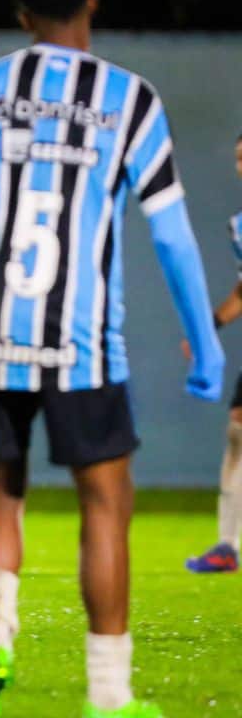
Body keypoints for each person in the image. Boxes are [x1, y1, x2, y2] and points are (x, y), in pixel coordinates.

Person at [0, 0, 223, 715]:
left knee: (1, 493)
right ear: (92, 2)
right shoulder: (129, 98)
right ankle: (109, 694)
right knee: (106, 504)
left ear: (21, 10)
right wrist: (204, 342)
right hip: (82, 342)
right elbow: (171, 237)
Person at [185, 132, 242, 574]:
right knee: (238, 431)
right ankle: (226, 545)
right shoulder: (239, 225)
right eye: (239, 158)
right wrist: (207, 327)